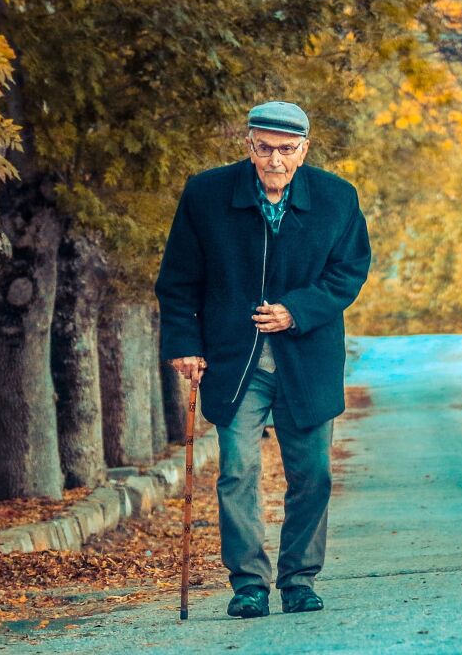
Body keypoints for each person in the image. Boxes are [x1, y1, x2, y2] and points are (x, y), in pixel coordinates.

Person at [156, 100, 371, 619]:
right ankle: (249, 583)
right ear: (248, 144)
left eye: (286, 149)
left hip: (308, 357)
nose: (275, 160)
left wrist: (296, 310)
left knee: (313, 474)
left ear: (305, 149)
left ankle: (299, 579)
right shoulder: (206, 194)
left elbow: (349, 272)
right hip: (235, 360)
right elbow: (179, 279)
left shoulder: (337, 198)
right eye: (265, 148)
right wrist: (185, 343)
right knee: (238, 471)